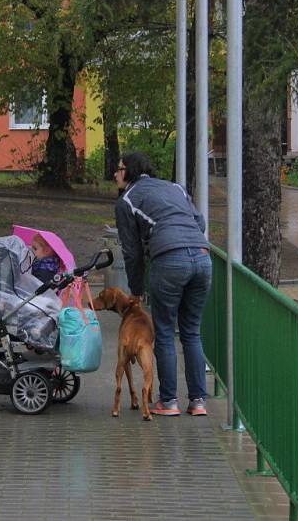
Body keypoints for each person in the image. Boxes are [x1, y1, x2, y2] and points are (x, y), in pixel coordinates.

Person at [114, 151, 212, 417]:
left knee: (166, 332)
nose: (115, 173)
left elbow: (131, 251)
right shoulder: (175, 187)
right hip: (203, 258)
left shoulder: (127, 200)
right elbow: (199, 221)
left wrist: (135, 289)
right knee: (191, 331)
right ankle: (198, 402)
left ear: (129, 171)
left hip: (169, 261)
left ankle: (168, 401)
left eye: (118, 168)